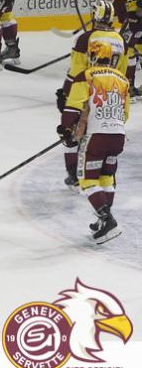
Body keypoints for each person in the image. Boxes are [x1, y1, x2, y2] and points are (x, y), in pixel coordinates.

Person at [58, 33, 129, 244]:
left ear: (93, 55)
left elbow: (72, 107)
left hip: (96, 138)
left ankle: (107, 220)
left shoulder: (86, 76)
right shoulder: (123, 79)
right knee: (106, 177)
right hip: (118, 138)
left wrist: (66, 129)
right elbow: (124, 114)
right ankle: (103, 219)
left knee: (87, 179)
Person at [55, 0, 127, 189]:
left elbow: (75, 72)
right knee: (105, 131)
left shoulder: (86, 38)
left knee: (71, 131)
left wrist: (65, 93)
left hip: (87, 88)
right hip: (112, 92)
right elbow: (124, 70)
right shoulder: (121, 40)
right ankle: (107, 175)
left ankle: (74, 173)